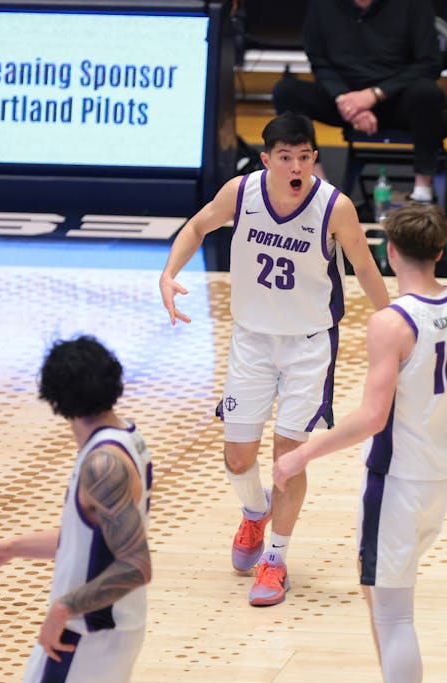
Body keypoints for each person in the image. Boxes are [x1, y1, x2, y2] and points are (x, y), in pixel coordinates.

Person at [272, 203, 447, 683]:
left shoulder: (391, 323)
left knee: (394, 613)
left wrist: (300, 455)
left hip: (398, 478)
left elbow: (371, 418)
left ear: (390, 252)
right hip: (441, 474)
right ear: (440, 252)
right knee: (374, 587)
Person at [159, 112, 390, 606]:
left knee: (288, 459)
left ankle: (276, 560)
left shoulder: (335, 207)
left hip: (308, 345)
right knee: (237, 458)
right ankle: (253, 511)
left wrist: (396, 324)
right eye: (285, 157)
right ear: (266, 159)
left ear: (314, 158)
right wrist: (168, 273)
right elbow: (197, 227)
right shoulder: (241, 193)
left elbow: (366, 267)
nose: (296, 167)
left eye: (304, 157)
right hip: (251, 341)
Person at [0, 335, 152, 683]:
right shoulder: (125, 438)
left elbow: (136, 564)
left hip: (88, 630)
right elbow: (92, 539)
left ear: (56, 400)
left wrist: (65, 607)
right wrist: (11, 548)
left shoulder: (104, 464)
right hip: (106, 628)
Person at [271, 0, 447, 204]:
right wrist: (343, 98)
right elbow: (318, 60)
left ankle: (422, 190)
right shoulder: (321, 5)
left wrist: (375, 94)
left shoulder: (415, 5)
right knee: (286, 91)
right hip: (343, 101)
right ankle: (316, 185)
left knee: (428, 92)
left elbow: (429, 63)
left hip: (397, 99)